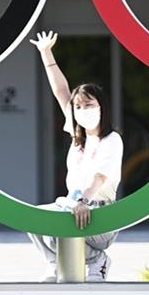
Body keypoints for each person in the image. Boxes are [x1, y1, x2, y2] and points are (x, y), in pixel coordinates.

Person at [28, 31, 123, 282]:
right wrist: (46, 52)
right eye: (78, 106)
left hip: (99, 213)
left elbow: (99, 179)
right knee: (36, 218)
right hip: (74, 205)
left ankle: (96, 260)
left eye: (89, 105)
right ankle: (53, 263)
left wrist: (83, 201)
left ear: (103, 107)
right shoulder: (77, 135)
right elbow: (61, 91)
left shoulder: (112, 140)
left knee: (61, 219)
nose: (83, 110)